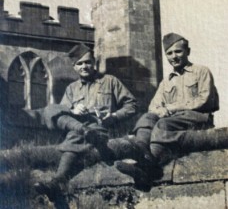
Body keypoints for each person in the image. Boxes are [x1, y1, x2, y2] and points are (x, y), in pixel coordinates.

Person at [34, 43, 138, 200]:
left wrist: (114, 116)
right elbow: (61, 115)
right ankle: (83, 131)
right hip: (78, 127)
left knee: (77, 134)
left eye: (88, 62)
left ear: (94, 62)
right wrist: (73, 110)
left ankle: (58, 181)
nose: (84, 66)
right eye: (80, 64)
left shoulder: (110, 81)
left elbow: (132, 105)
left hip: (101, 126)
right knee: (50, 109)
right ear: (74, 67)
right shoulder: (71, 88)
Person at [116, 32, 219, 183]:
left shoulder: (201, 71)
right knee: (147, 118)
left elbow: (204, 99)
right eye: (169, 53)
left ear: (187, 52)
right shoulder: (167, 82)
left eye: (178, 51)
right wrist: (160, 111)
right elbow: (153, 106)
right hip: (175, 120)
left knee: (163, 124)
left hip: (199, 118)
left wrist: (172, 108)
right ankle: (143, 155)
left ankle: (147, 168)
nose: (174, 56)